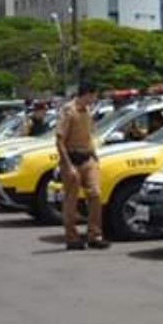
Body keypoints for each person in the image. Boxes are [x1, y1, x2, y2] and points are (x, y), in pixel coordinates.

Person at [56, 80, 107, 250]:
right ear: (87, 94)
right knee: (71, 200)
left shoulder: (87, 111)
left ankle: (95, 235)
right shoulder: (68, 111)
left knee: (95, 194)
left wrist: (94, 155)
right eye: (93, 95)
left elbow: (88, 135)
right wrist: (68, 166)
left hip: (87, 159)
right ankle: (72, 238)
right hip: (72, 160)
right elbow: (60, 141)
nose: (94, 99)